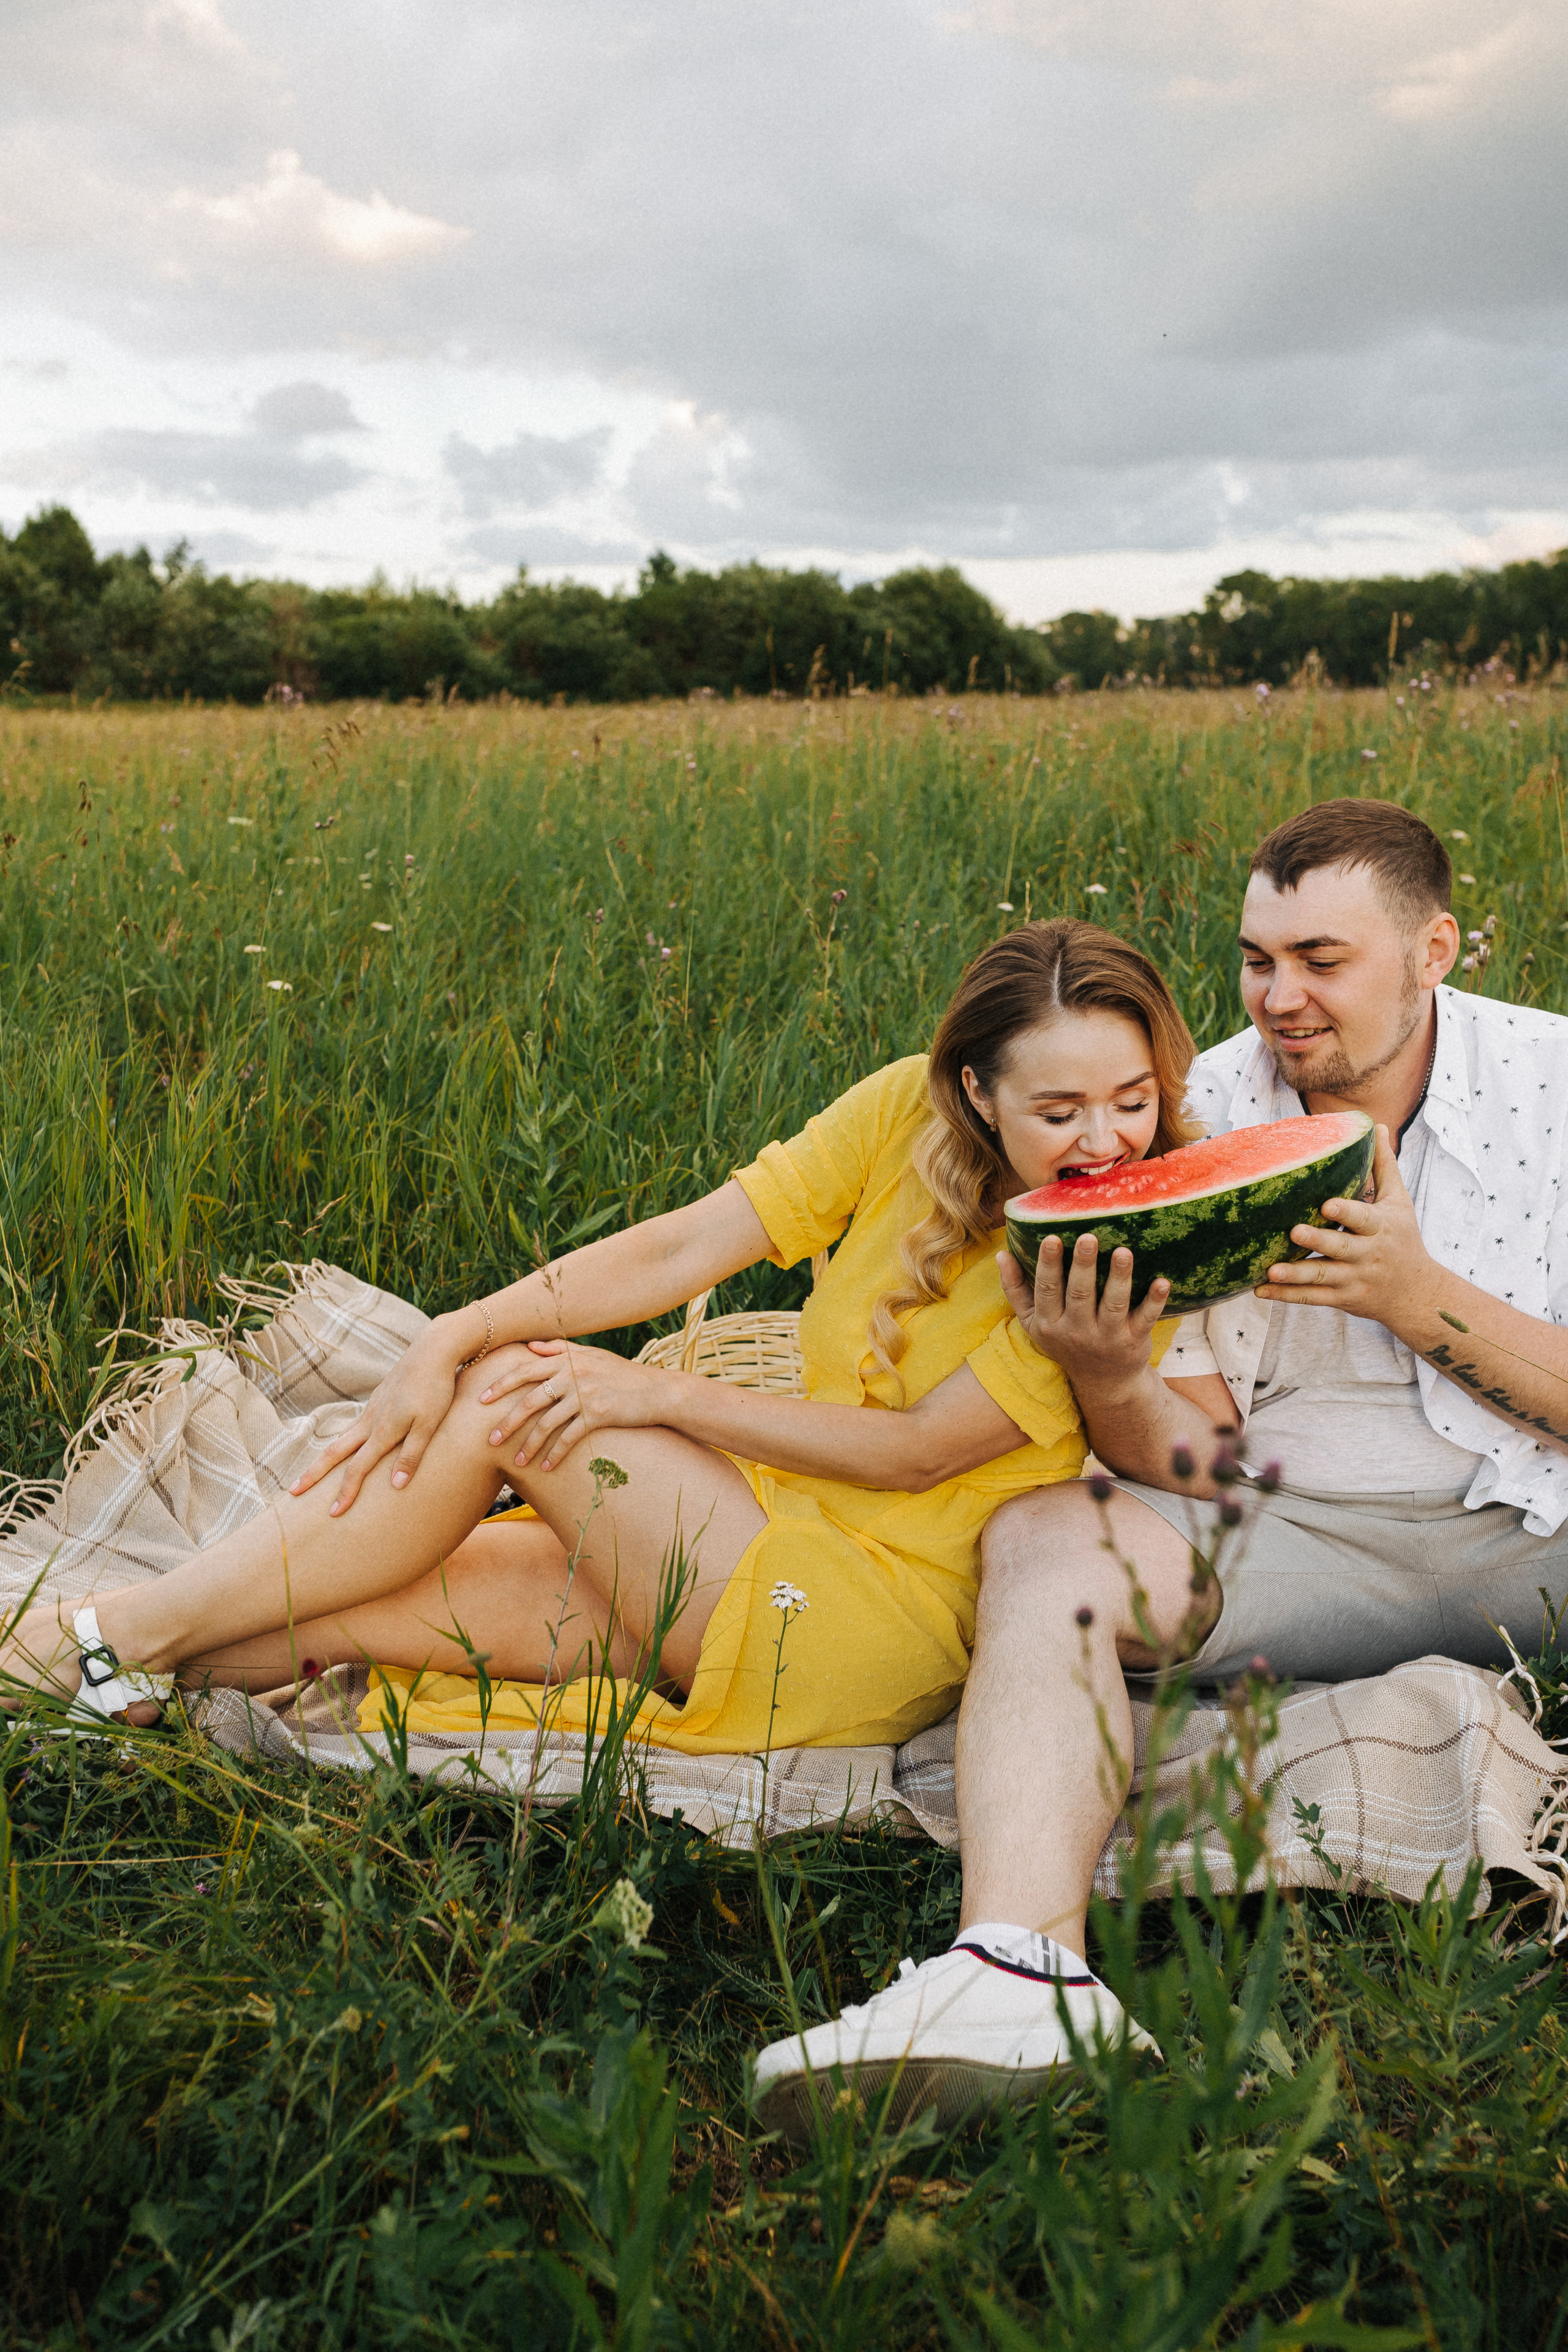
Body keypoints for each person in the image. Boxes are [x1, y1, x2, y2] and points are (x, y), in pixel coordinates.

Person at [2, 923, 1189, 1849]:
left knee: (520, 1394)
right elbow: (685, 1246)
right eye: (1058, 1110)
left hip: (869, 1616)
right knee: (340, 1613)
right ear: (975, 1093)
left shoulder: (1126, 1252)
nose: (1105, 1144)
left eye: (1131, 1100)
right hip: (754, 1524)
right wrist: (449, 1334)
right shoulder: (899, 1112)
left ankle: (103, 1633)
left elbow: (920, 1452)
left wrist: (654, 1395)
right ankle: (99, 1663)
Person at [753, 797, 1568, 2129]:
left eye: (1321, 960)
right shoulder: (1189, 1117)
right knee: (1041, 1536)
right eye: (1257, 960)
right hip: (1289, 1534)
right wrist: (1108, 1374)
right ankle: (1018, 1974)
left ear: (1434, 950)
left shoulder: (1555, 1088)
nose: (1279, 998)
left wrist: (1419, 1302)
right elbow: (1193, 1459)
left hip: (1539, 1532)